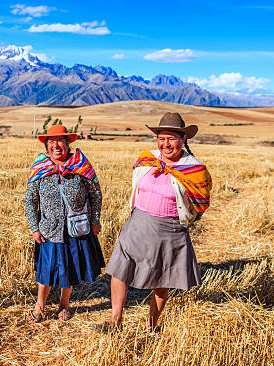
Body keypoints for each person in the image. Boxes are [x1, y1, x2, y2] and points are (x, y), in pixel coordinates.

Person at [95, 113, 212, 332]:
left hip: (169, 231)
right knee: (120, 270)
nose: (165, 144)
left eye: (171, 139)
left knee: (162, 279)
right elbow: (135, 184)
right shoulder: (146, 159)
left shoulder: (194, 170)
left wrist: (185, 219)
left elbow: (201, 201)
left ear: (183, 139)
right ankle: (115, 320)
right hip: (137, 225)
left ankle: (151, 325)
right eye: (161, 138)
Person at [25, 124, 104, 322]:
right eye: (52, 142)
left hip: (75, 228)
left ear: (68, 143)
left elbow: (95, 194)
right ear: (47, 146)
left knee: (67, 270)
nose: (56, 145)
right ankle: (39, 307)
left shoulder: (80, 166)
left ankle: (64, 305)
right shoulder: (40, 168)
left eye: (61, 141)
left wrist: (95, 220)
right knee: (46, 271)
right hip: (49, 230)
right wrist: (34, 228)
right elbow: (30, 200)